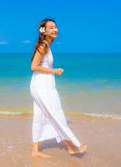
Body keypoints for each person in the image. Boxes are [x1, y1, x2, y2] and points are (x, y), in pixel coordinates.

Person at [30, 18, 87, 158]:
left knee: (42, 116)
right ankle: (75, 145)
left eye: (55, 27)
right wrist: (54, 71)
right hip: (41, 85)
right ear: (44, 31)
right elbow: (33, 67)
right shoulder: (43, 45)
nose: (55, 29)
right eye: (50, 27)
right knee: (55, 114)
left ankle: (37, 151)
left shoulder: (47, 45)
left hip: (46, 84)